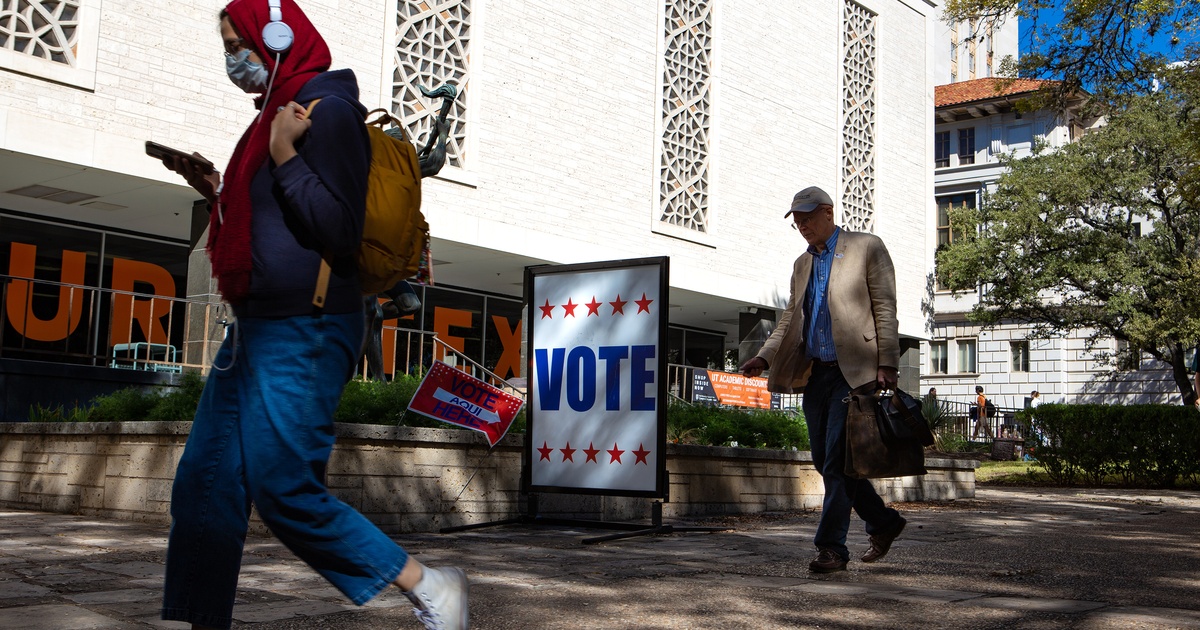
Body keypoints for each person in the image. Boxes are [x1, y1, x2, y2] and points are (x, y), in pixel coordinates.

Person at [155, 2, 467, 628]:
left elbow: (339, 226)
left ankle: (430, 585)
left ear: (276, 37)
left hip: (308, 324)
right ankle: (191, 619)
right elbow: (276, 225)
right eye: (227, 46)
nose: (232, 59)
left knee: (283, 487)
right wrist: (217, 191)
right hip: (258, 328)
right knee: (205, 482)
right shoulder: (276, 115)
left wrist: (283, 153)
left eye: (237, 44)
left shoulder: (328, 112)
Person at [739, 185, 906, 574]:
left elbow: (885, 307)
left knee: (836, 462)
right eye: (797, 221)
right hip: (817, 373)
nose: (802, 225)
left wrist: (888, 362)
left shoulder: (866, 246)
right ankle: (883, 522)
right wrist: (765, 356)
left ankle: (832, 548)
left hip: (856, 372)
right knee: (826, 460)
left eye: (808, 218)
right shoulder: (802, 263)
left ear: (828, 213)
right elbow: (790, 318)